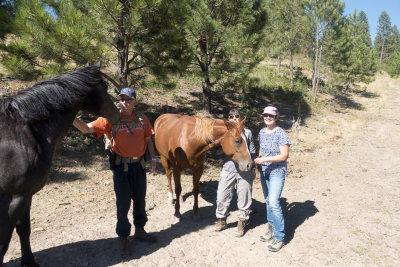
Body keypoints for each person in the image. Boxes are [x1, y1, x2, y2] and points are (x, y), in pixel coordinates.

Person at [73, 87, 157, 258]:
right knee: (123, 204)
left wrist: (153, 159)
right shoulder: (110, 119)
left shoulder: (142, 118)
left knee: (140, 200)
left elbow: (148, 139)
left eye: (128, 99)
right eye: (122, 99)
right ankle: (124, 238)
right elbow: (86, 129)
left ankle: (140, 231)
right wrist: (71, 117)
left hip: (139, 166)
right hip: (121, 168)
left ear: (135, 101)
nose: (124, 102)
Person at [254, 106, 291, 252]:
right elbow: (262, 149)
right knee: (268, 201)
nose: (268, 117)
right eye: (265, 115)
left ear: (276, 117)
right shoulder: (262, 132)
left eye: (271, 115)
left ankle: (280, 236)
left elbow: (284, 155)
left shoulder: (281, 133)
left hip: (277, 172)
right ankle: (271, 229)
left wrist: (265, 160)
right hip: (264, 172)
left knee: (274, 202)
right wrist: (259, 160)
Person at [215, 109, 256, 237]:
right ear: (228, 119)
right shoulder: (224, 133)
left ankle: (242, 221)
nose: (234, 118)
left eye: (237, 116)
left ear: (240, 118)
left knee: (244, 196)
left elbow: (252, 151)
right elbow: (216, 149)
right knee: (222, 195)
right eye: (231, 116)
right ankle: (222, 219)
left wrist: (253, 168)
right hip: (228, 168)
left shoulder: (247, 132)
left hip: (244, 170)